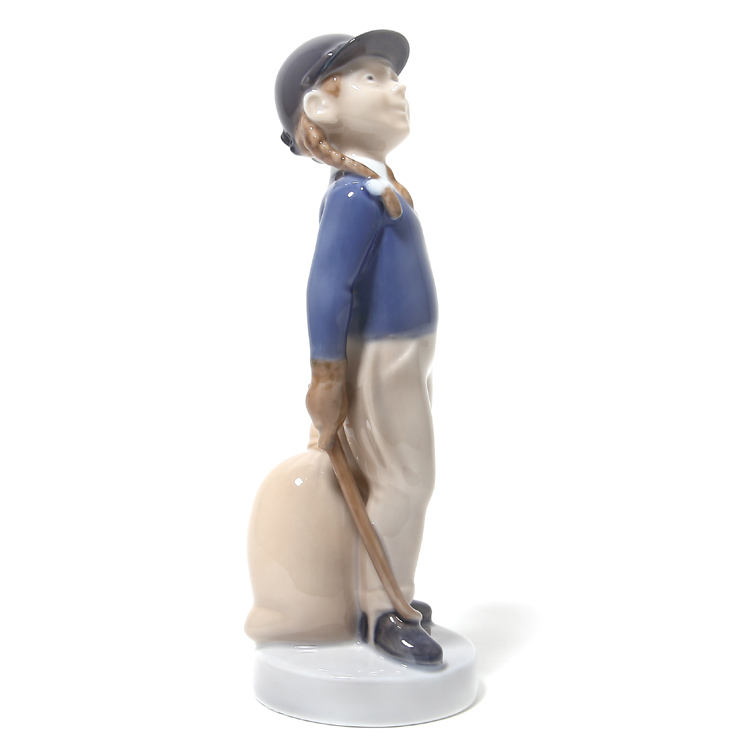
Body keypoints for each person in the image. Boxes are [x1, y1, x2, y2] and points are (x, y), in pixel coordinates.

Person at [246, 30, 441, 666]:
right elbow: (327, 288)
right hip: (384, 356)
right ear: (321, 106)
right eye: (372, 76)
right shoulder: (356, 197)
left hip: (405, 353)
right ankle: (385, 610)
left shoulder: (377, 186)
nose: (396, 87)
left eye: (392, 75)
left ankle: (384, 590)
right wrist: (327, 378)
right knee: (405, 481)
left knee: (396, 477)